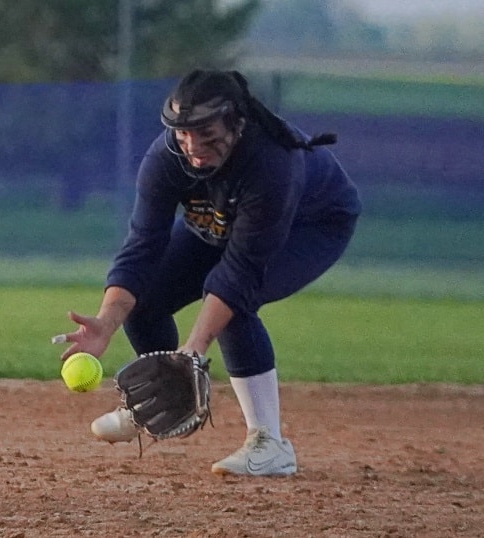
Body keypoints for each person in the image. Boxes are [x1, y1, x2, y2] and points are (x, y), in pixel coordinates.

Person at [54, 69, 361, 477]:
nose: (194, 149)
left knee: (234, 301)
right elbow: (142, 247)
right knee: (143, 302)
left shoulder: (272, 163)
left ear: (237, 122)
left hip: (312, 224)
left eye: (207, 134)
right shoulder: (166, 159)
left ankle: (270, 443)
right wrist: (107, 322)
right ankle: (159, 404)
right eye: (184, 134)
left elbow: (240, 272)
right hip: (221, 222)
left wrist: (194, 349)